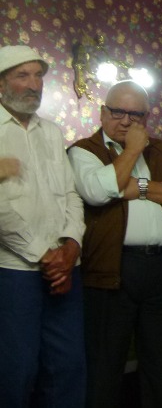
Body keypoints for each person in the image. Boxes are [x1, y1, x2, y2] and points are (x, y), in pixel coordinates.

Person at [68, 79, 162, 408]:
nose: (126, 121)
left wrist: (136, 186)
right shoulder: (83, 151)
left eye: (135, 115)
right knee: (106, 364)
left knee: (161, 365)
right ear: (102, 113)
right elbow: (97, 191)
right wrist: (132, 151)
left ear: (147, 117)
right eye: (117, 112)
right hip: (111, 271)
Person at [0, 45, 86, 407]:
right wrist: (44, 255)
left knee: (68, 367)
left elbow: (71, 194)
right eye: (23, 75)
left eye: (38, 75)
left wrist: (71, 246)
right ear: (1, 83)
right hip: (15, 271)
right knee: (17, 371)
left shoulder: (51, 131)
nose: (34, 84)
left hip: (64, 268)